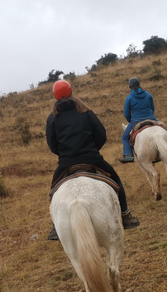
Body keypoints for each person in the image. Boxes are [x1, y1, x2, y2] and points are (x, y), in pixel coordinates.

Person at [46, 80, 140, 240]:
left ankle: (56, 226)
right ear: (71, 92)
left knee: (53, 192)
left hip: (66, 163)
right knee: (116, 181)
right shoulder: (86, 111)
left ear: (55, 96)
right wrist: (93, 149)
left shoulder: (52, 118)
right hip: (92, 158)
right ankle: (125, 214)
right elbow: (101, 134)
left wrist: (64, 154)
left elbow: (52, 144)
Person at [119, 77, 167, 163]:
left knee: (124, 137)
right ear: (139, 84)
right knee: (164, 129)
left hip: (136, 120)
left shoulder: (129, 98)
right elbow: (152, 108)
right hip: (151, 117)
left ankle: (128, 155)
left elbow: (126, 113)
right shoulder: (148, 95)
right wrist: (150, 116)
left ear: (130, 87)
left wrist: (131, 122)